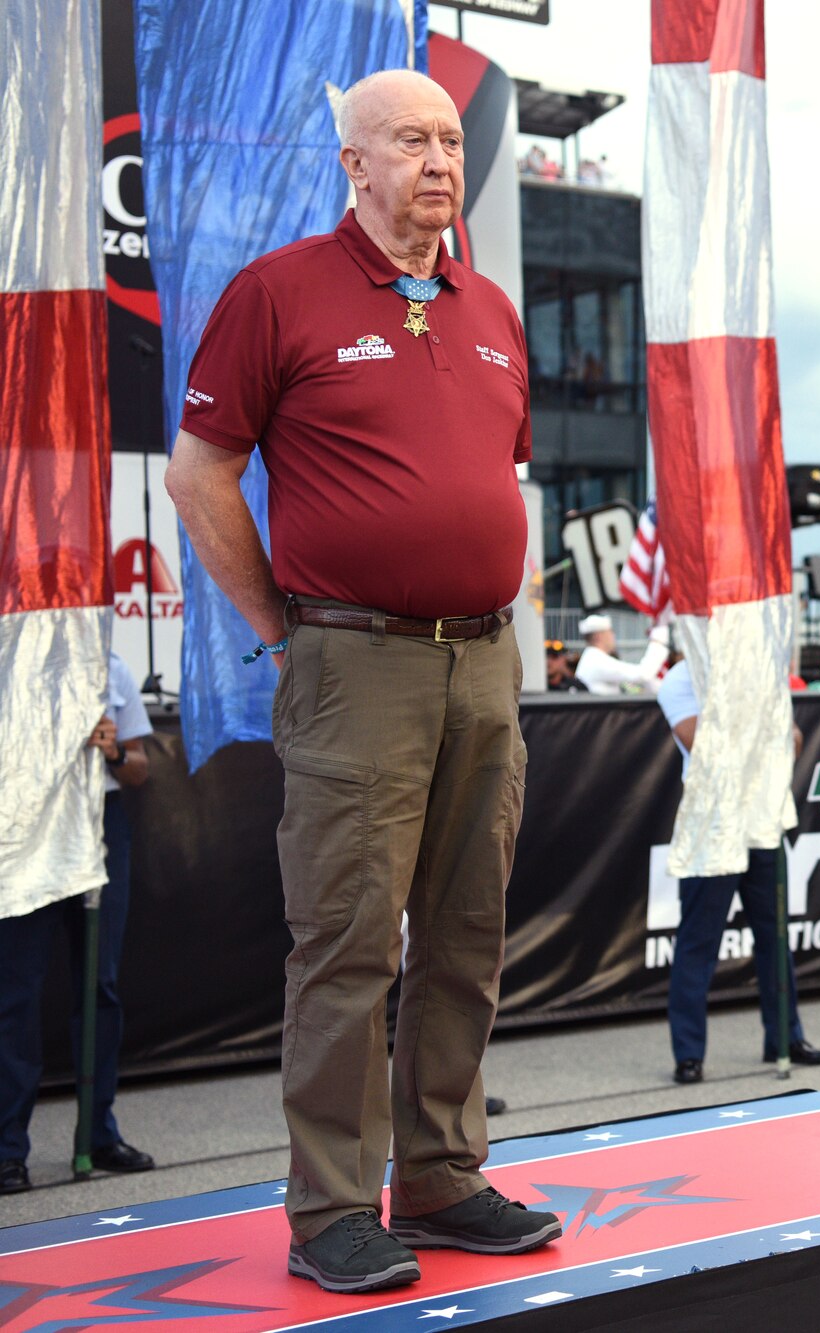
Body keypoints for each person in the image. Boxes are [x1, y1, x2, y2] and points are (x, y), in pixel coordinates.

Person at [163, 69, 558, 1294]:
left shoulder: (488, 305)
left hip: (482, 660)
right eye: (411, 142)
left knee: (465, 929)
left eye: (450, 140)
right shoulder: (279, 292)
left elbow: (495, 477)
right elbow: (198, 476)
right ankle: (333, 1203)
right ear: (354, 161)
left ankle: (439, 1176)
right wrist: (288, 631)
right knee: (344, 943)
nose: (440, 161)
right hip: (351, 660)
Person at [0, 653, 157, 1196]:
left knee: (100, 984)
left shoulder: (109, 664)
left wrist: (112, 748)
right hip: (26, 823)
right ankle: (6, 1149)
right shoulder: (9, 653)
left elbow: (140, 767)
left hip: (100, 819)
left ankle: (98, 1134)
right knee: (17, 990)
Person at [655, 660, 820, 1085]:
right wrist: (761, 737)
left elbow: (792, 739)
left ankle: (785, 1038)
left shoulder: (758, 667)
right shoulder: (681, 678)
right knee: (699, 940)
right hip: (711, 823)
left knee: (776, 936)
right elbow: (702, 745)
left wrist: (770, 740)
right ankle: (689, 1053)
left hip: (761, 817)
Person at [574, 613, 668, 694]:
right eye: (610, 632)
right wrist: (657, 642)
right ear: (598, 636)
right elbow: (642, 675)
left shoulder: (593, 658)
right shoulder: (595, 660)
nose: (613, 636)